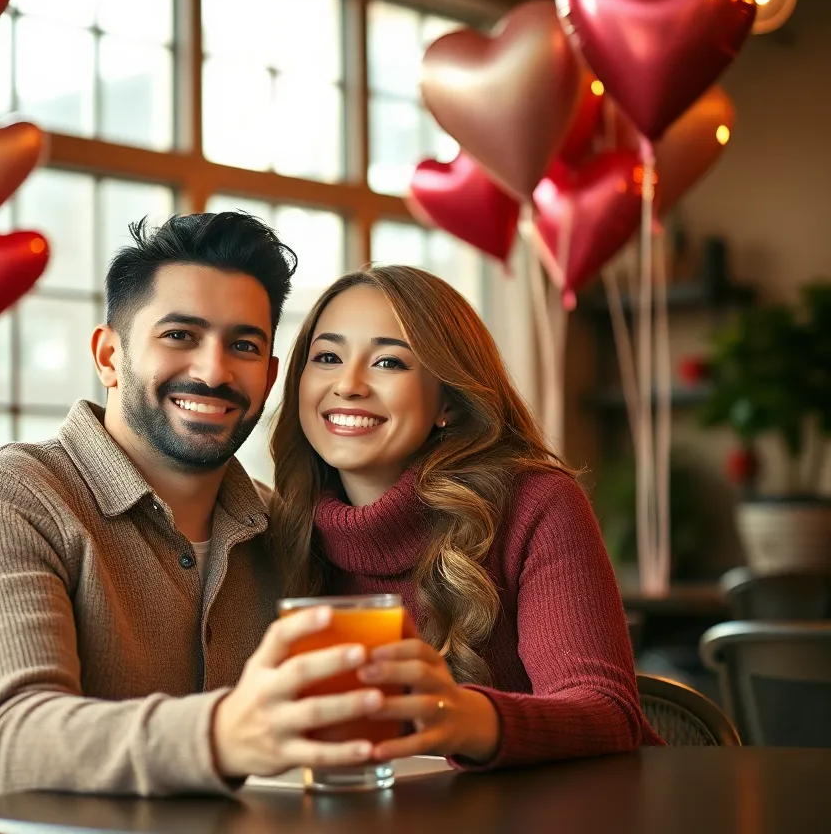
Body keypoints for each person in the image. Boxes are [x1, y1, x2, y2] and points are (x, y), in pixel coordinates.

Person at [0, 213, 390, 834]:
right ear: (109, 355)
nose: (214, 371)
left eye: (244, 346)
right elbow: (0, 753)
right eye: (179, 335)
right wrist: (227, 734)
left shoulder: (281, 528)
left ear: (270, 378)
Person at [268, 265, 663, 769]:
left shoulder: (536, 504)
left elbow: (608, 714)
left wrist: (460, 718)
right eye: (327, 357)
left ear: (448, 402)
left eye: (390, 362)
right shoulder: (278, 525)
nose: (348, 385)